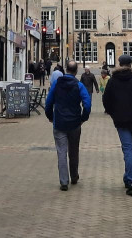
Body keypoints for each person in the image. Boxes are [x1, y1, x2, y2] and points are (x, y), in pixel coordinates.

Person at [102, 54, 132, 197]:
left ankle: (131, 181)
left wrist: (113, 113)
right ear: (130, 65)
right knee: (130, 148)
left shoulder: (113, 81)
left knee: (128, 148)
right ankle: (129, 177)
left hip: (121, 121)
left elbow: (106, 100)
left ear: (119, 64)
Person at [45, 61, 91, 190]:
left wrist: (50, 117)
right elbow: (87, 104)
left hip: (59, 122)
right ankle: (74, 176)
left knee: (61, 151)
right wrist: (83, 118)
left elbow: (48, 102)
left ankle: (64, 181)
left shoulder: (56, 84)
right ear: (76, 71)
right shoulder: (79, 85)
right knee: (73, 151)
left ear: (66, 70)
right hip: (75, 123)